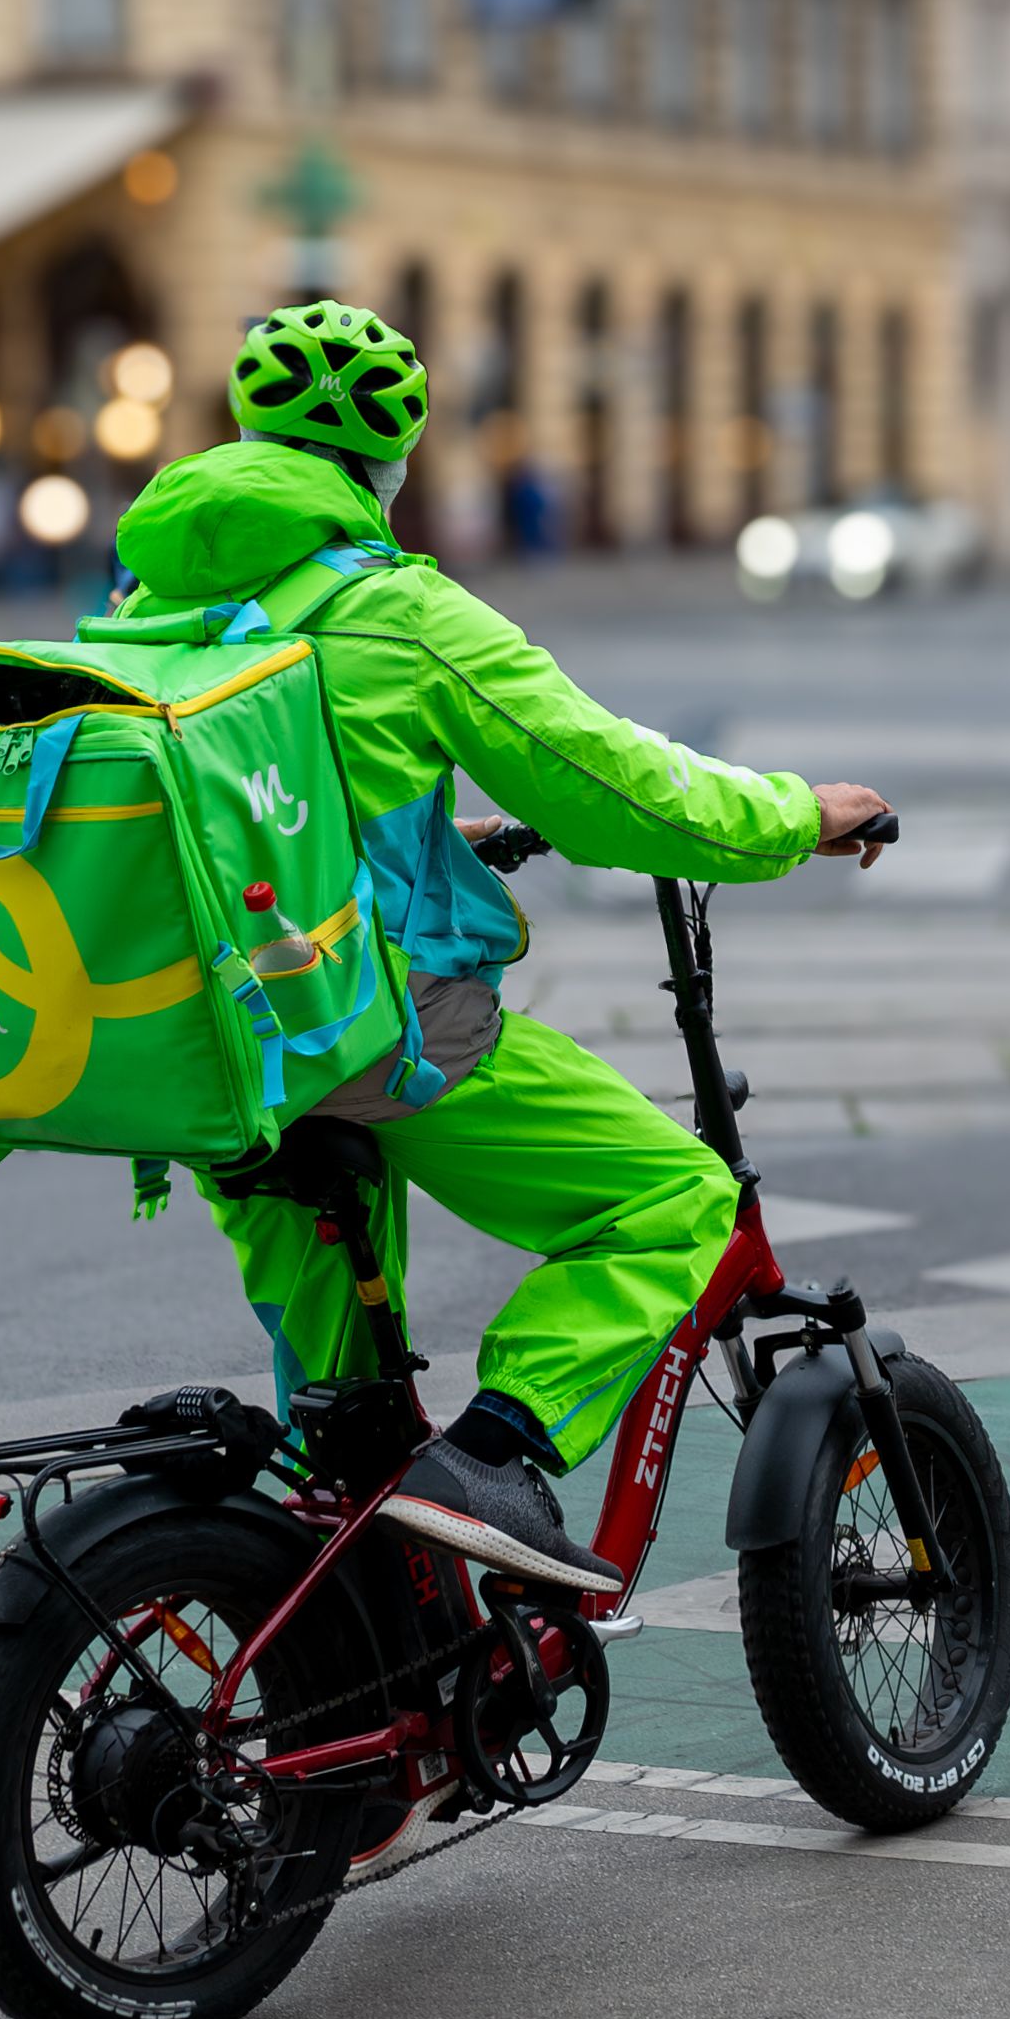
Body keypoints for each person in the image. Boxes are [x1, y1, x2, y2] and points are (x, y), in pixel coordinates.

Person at [82, 300, 890, 1596]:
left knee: (339, 1426)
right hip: (364, 1032)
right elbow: (617, 786)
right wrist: (797, 816)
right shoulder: (399, 612)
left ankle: (344, 1709)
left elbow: (230, 810)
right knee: (671, 1198)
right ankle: (497, 1454)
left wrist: (424, 828)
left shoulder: (145, 609)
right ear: (388, 461)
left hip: (200, 1057)